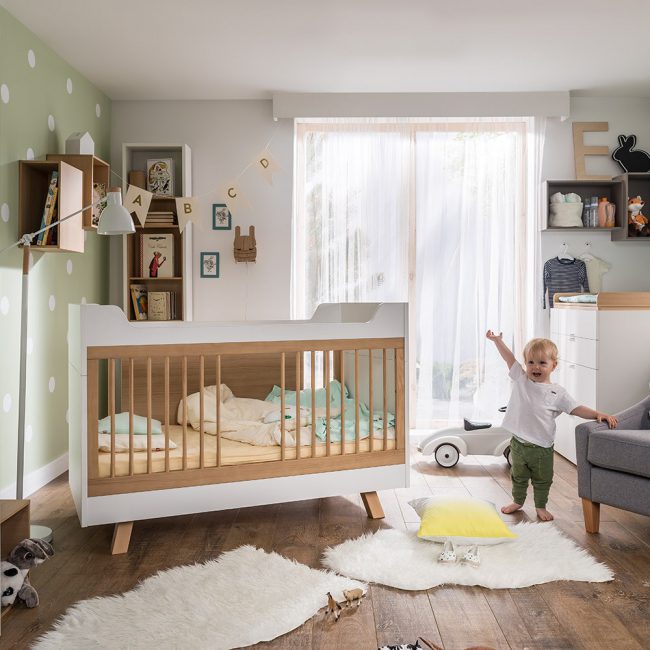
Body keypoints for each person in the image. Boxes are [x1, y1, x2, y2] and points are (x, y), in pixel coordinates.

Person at [485, 331, 618, 521]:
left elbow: (576, 408)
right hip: (518, 444)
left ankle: (540, 506)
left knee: (542, 480)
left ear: (553, 366)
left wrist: (597, 414)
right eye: (530, 362)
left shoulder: (557, 393)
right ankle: (518, 501)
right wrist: (498, 341)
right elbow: (509, 358)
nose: (535, 367)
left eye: (542, 363)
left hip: (541, 448)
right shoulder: (522, 380)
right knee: (518, 476)